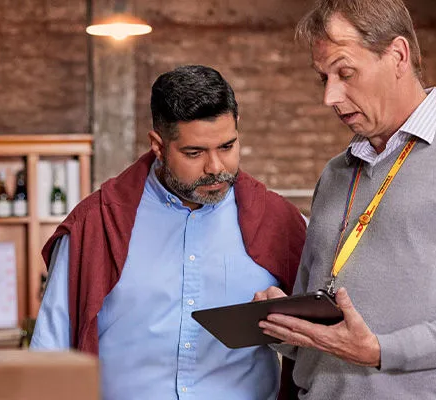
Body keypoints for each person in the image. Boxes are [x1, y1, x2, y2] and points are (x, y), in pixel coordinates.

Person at [252, 0, 436, 398]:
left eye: (345, 72)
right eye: (323, 78)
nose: (330, 97)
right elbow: (324, 343)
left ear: (398, 55)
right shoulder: (336, 173)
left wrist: (381, 351)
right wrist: (285, 322)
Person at [30, 65, 307, 400]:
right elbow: (50, 353)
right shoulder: (96, 225)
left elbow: (320, 346)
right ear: (158, 146)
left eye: (226, 146)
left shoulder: (282, 223)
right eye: (195, 153)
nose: (215, 167)